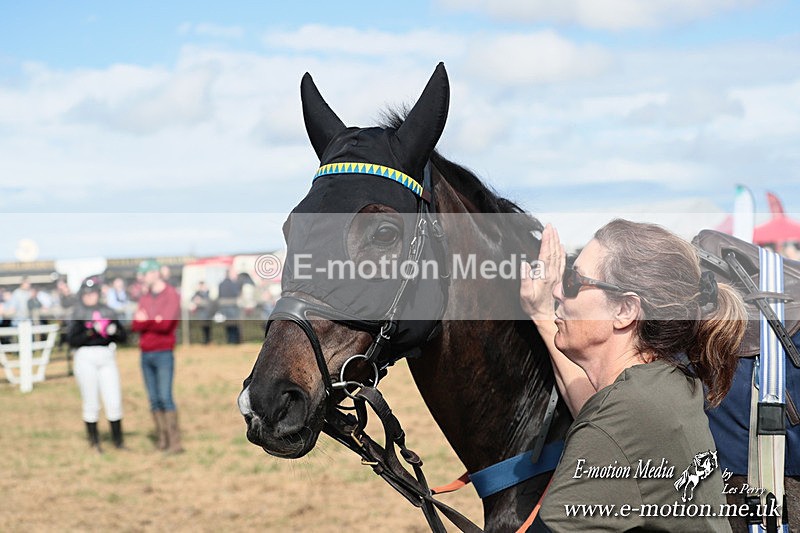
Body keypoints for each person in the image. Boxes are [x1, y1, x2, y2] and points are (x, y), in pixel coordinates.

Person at [519, 220, 747, 532]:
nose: (558, 290)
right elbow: (602, 416)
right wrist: (543, 313)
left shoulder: (625, 414)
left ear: (625, 310)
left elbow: (607, 427)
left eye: (574, 281)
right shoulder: (662, 383)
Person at [66, 275, 127, 452]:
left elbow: (123, 337)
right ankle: (94, 442)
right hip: (86, 357)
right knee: (91, 401)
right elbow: (71, 339)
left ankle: (118, 441)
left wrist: (113, 331)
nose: (90, 296)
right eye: (87, 293)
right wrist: (90, 332)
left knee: (113, 400)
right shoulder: (77, 314)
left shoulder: (108, 311)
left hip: (107, 355)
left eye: (93, 293)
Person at [131, 259, 183, 453]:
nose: (141, 278)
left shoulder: (171, 295)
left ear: (154, 274)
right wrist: (152, 320)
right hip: (146, 353)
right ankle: (162, 439)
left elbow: (165, 324)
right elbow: (135, 324)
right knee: (153, 398)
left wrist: (146, 320)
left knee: (165, 397)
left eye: (143, 275)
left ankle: (174, 442)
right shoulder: (145, 296)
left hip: (163, 352)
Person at [217, 268, 241, 344]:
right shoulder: (233, 284)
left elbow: (219, 296)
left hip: (224, 307)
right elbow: (236, 293)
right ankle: (234, 341)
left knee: (228, 325)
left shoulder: (221, 284)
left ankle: (230, 340)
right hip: (232, 307)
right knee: (234, 324)